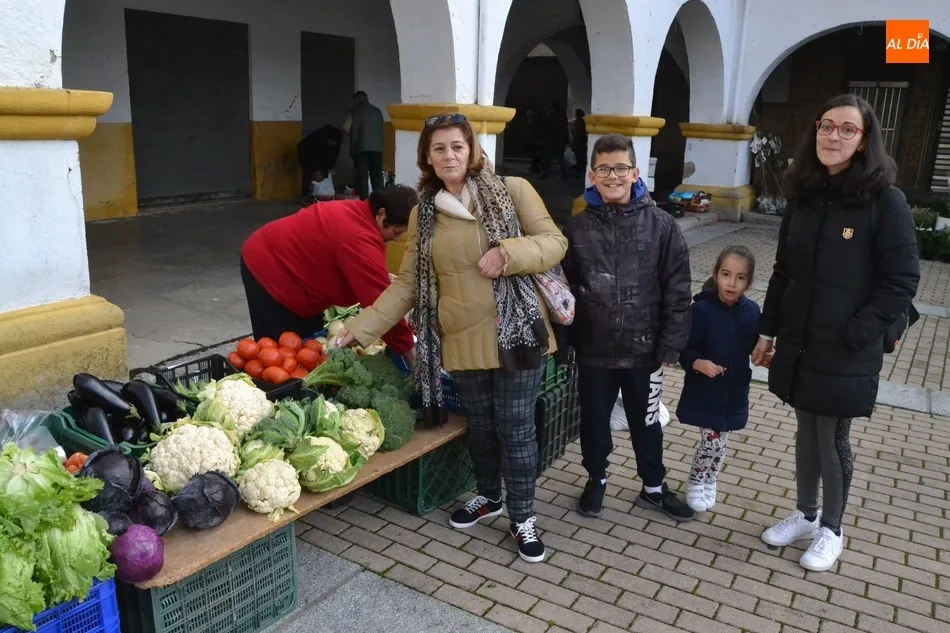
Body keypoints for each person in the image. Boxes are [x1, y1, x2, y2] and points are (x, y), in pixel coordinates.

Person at [336, 113, 567, 563]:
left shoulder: (512, 191)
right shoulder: (425, 213)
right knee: (480, 429)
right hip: (460, 337)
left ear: (472, 149)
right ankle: (489, 496)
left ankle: (522, 517)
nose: (449, 155)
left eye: (457, 146)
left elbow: (555, 242)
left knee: (516, 431)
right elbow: (408, 284)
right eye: (438, 148)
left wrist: (508, 252)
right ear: (427, 156)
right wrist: (361, 327)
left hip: (515, 330)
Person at [752, 93, 920, 572]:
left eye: (848, 129)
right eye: (827, 126)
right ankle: (805, 514)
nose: (834, 136)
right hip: (802, 339)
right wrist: (767, 331)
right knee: (807, 428)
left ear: (866, 141)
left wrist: (856, 332)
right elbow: (784, 271)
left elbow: (903, 281)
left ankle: (832, 528)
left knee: (832, 436)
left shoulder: (884, 200)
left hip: (846, 345)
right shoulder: (803, 195)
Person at [560, 133, 695, 522]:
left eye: (620, 168)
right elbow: (565, 291)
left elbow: (678, 289)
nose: (613, 176)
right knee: (593, 422)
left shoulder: (662, 225)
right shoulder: (577, 228)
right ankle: (596, 480)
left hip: (645, 348)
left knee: (647, 421)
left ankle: (654, 487)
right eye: (604, 169)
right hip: (594, 349)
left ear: (635, 172)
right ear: (592, 175)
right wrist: (566, 343)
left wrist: (671, 346)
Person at [239, 185, 419, 366]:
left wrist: (380, 275)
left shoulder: (359, 212)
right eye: (396, 232)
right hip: (267, 268)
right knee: (277, 356)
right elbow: (382, 308)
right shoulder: (359, 237)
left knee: (311, 349)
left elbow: (344, 256)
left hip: (293, 266)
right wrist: (410, 353)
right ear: (381, 214)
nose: (396, 239)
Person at [677, 245, 760, 513]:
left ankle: (710, 479)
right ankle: (696, 479)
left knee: (720, 441)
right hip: (705, 391)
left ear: (749, 281)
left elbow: (756, 347)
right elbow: (685, 349)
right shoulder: (701, 310)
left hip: (733, 391)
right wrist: (698, 363)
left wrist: (765, 354)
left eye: (740, 277)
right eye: (726, 275)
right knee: (713, 441)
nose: (732, 283)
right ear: (715, 275)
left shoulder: (751, 312)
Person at [348, 91, 385, 200]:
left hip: (361, 148)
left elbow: (346, 127)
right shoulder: (377, 111)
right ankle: (379, 199)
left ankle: (364, 200)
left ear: (356, 100)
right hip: (377, 148)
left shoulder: (354, 112)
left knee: (362, 175)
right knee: (377, 175)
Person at [297, 124, 343, 198]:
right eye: (331, 142)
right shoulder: (316, 139)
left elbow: (334, 156)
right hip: (305, 153)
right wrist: (315, 170)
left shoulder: (336, 143)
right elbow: (311, 157)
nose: (332, 144)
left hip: (318, 154)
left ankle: (322, 193)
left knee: (324, 171)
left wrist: (331, 168)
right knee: (308, 172)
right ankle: (305, 194)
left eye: (334, 143)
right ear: (328, 139)